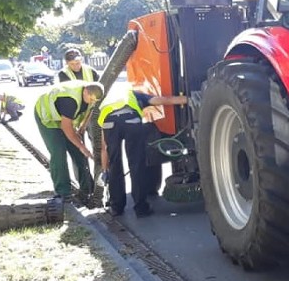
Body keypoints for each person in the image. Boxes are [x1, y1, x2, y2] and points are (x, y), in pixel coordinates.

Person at [98, 88, 188, 217]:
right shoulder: (133, 94)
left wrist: (105, 170)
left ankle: (116, 207)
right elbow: (164, 100)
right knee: (136, 164)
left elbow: (104, 147)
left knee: (115, 164)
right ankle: (141, 208)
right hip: (131, 121)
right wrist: (188, 99)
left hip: (109, 123)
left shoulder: (105, 103)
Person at [34, 80, 104, 200]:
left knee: (78, 153)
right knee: (58, 153)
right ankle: (63, 192)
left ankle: (87, 188)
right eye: (91, 99)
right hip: (48, 119)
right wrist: (82, 146)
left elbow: (90, 111)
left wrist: (82, 127)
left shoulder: (91, 96)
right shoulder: (69, 100)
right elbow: (65, 127)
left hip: (65, 119)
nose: (93, 102)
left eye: (95, 101)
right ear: (85, 91)